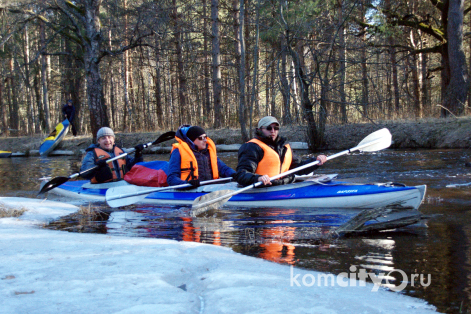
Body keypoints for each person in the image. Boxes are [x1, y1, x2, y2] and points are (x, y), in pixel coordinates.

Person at [233, 116, 328, 186]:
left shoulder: (284, 147)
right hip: (262, 188)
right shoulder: (251, 147)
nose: (273, 131)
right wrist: (258, 178)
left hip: (284, 185)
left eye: (276, 128)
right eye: (269, 128)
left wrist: (316, 162)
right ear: (259, 130)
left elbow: (298, 168)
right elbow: (241, 174)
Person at [167, 125, 236, 187]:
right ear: (191, 140)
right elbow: (172, 178)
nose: (205, 140)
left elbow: (224, 169)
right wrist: (187, 184)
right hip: (190, 190)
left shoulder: (208, 152)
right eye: (201, 138)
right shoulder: (178, 152)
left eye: (205, 137)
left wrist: (236, 175)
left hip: (211, 188)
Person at [80, 127, 144, 183]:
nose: (107, 140)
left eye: (109, 137)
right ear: (98, 141)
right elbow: (84, 173)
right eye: (103, 138)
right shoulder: (91, 153)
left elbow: (134, 167)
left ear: (113, 140)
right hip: (101, 187)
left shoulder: (120, 151)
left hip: (122, 184)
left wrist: (138, 155)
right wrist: (97, 167)